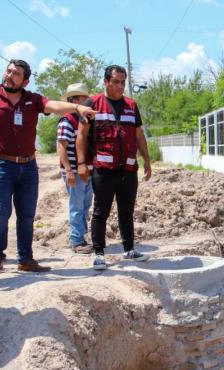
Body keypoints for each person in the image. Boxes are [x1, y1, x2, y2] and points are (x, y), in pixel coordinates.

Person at [0, 59, 95, 274]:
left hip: (28, 166)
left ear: (25, 81)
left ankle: (26, 259)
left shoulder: (33, 100)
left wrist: (78, 107)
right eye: (9, 71)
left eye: (16, 73)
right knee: (0, 213)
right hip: (0, 165)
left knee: (27, 214)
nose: (9, 75)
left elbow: (54, 106)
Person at [76, 65, 152, 271]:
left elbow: (138, 135)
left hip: (128, 170)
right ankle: (99, 253)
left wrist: (147, 159)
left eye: (123, 82)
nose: (120, 86)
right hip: (103, 170)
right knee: (101, 212)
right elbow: (81, 135)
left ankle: (129, 249)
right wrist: (82, 164)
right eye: (116, 81)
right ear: (106, 82)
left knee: (126, 211)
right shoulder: (93, 103)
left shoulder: (131, 105)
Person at [58, 82, 93, 253]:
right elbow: (62, 147)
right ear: (75, 100)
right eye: (83, 98)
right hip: (74, 170)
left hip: (85, 170)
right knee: (77, 206)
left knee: (85, 205)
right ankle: (77, 240)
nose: (87, 101)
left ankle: (81, 237)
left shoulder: (83, 119)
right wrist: (69, 170)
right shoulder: (67, 121)